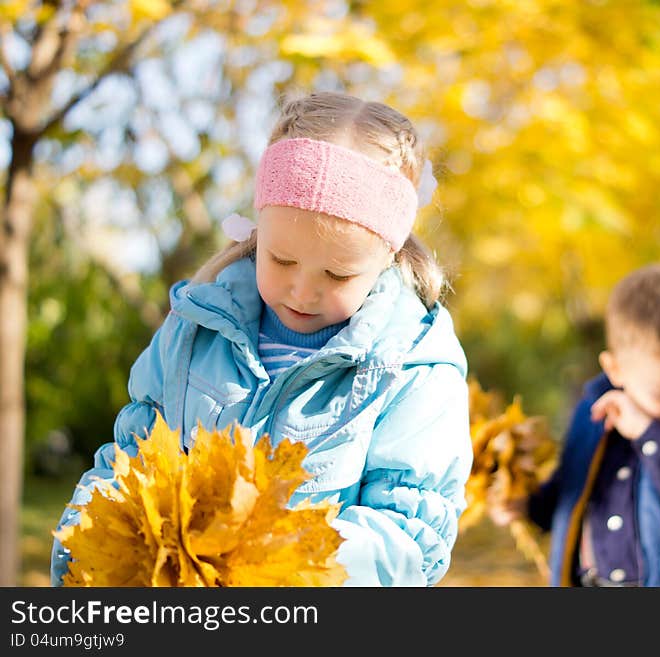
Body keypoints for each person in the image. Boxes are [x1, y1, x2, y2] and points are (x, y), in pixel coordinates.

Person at [51, 91, 472, 587]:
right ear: (257, 231)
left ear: (386, 259)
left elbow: (409, 538)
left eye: (337, 275)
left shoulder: (414, 369)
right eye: (282, 260)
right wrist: (81, 549)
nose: (302, 290)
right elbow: (129, 460)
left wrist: (265, 555)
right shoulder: (196, 329)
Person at [491, 263, 660, 586]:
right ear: (615, 370)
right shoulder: (593, 415)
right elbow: (571, 494)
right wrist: (525, 505)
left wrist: (649, 434)